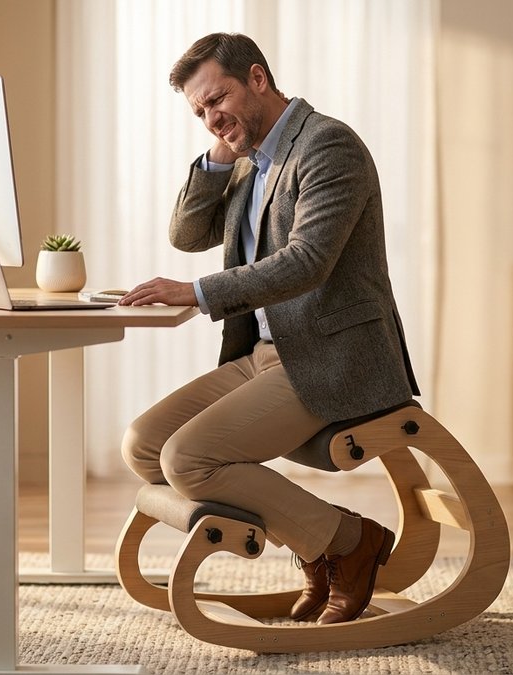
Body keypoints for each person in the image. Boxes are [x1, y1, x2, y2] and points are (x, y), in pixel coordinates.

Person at [118, 32, 419, 625]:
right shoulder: (250, 160)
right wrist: (221, 154)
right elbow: (185, 233)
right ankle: (326, 543)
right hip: (264, 353)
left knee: (187, 459)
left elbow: (308, 260)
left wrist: (196, 292)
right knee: (145, 446)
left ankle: (350, 545)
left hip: (329, 355)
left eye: (217, 99)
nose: (211, 118)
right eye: (200, 111)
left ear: (258, 78)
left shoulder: (328, 146)